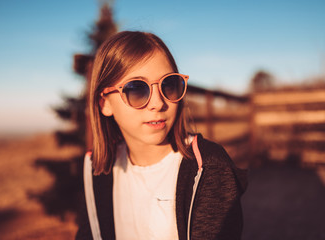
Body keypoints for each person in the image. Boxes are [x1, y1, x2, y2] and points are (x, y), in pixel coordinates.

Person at [75, 31, 247, 240]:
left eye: (169, 85)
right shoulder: (96, 170)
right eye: (136, 89)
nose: (158, 103)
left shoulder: (209, 168)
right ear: (105, 103)